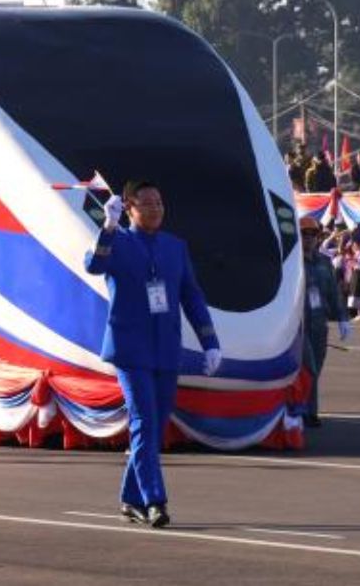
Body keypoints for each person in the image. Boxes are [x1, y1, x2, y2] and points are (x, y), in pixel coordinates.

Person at [82, 182, 221, 529]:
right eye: (147, 204)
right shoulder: (118, 242)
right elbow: (93, 266)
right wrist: (108, 228)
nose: (156, 209)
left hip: (166, 349)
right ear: (129, 208)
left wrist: (210, 342)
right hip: (131, 349)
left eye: (159, 202)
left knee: (154, 429)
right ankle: (154, 501)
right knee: (144, 421)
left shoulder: (175, 247)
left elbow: (192, 296)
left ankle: (131, 499)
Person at [298, 216, 349, 428]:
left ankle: (307, 409)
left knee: (316, 368)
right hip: (299, 322)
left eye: (312, 234)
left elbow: (334, 292)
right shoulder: (292, 261)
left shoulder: (325, 262)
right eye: (304, 234)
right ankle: (306, 411)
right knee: (308, 366)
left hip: (319, 321)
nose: (308, 238)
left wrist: (343, 318)